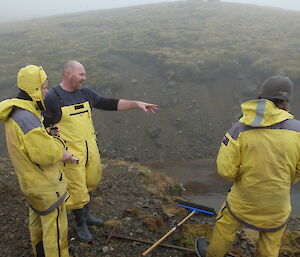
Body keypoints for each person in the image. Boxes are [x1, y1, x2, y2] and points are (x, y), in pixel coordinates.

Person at [43, 60, 158, 243]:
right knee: (77, 190)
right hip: (70, 155)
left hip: (90, 149)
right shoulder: (53, 98)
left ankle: (87, 216)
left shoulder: (85, 93)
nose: (84, 78)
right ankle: (81, 224)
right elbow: (43, 128)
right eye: (81, 74)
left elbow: (109, 103)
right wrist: (57, 151)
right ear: (68, 74)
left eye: (85, 74)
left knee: (91, 182)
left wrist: (136, 103)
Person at [195, 75, 300, 257]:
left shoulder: (239, 128)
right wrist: (280, 180)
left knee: (225, 225)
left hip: (243, 201)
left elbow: (226, 170)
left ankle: (212, 254)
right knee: (270, 243)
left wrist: (246, 177)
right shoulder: (298, 131)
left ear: (261, 97)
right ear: (286, 101)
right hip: (278, 204)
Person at [0, 65, 74, 257]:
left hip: (30, 185)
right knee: (55, 232)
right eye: (43, 87)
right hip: (46, 187)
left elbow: (28, 143)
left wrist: (45, 133)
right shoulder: (28, 119)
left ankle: (39, 252)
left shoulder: (16, 113)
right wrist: (57, 142)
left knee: (37, 221)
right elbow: (46, 155)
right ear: (33, 89)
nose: (46, 91)